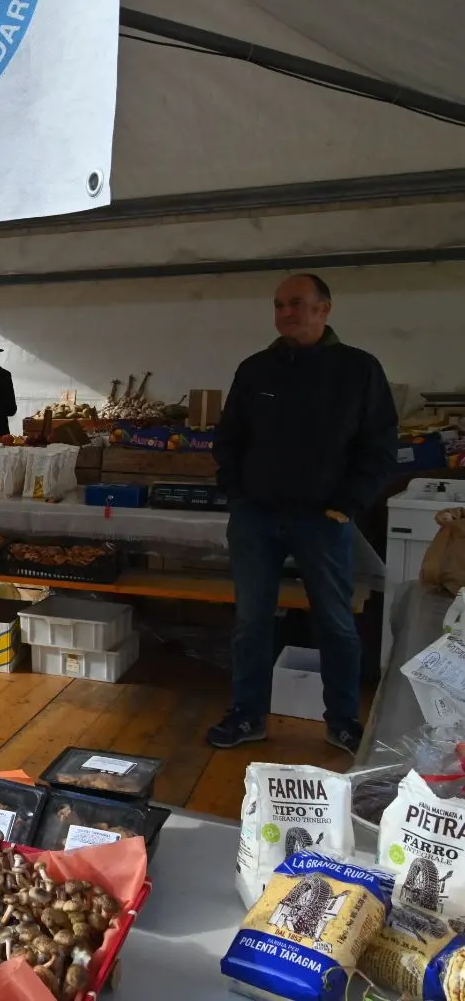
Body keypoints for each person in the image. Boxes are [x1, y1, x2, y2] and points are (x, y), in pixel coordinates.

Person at [206, 273, 397, 755]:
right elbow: (229, 439)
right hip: (256, 518)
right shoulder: (256, 370)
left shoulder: (358, 370)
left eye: (296, 303)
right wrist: (237, 495)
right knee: (251, 620)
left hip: (323, 519)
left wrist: (348, 503)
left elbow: (379, 445)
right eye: (278, 305)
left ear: (324, 308)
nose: (286, 312)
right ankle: (248, 715)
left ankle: (344, 721)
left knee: (335, 621)